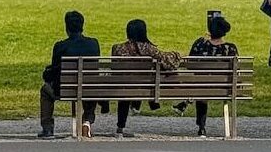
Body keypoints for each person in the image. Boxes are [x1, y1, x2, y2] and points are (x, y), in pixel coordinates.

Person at [111, 19, 180, 136]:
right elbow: (168, 63)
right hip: (145, 87)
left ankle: (120, 126)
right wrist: (176, 55)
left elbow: (114, 68)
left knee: (127, 87)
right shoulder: (149, 48)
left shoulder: (117, 48)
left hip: (123, 87)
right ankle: (153, 104)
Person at [39, 10, 100, 139]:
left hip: (64, 90)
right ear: (82, 26)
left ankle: (47, 128)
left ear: (67, 27)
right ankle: (87, 121)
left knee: (45, 90)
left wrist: (46, 75)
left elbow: (54, 71)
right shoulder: (93, 44)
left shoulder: (61, 46)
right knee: (91, 84)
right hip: (88, 89)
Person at [187, 15, 238, 137]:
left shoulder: (200, 44)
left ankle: (201, 126)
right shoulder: (230, 48)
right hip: (224, 88)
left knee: (201, 88)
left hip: (201, 86)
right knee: (203, 87)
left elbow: (189, 65)